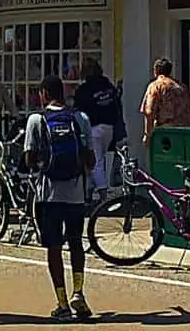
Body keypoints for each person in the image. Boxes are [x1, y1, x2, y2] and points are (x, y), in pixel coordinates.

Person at [24, 75, 94, 322]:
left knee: (53, 248)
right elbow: (91, 159)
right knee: (76, 243)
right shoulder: (80, 118)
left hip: (48, 194)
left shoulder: (36, 119)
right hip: (75, 193)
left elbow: (30, 158)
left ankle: (62, 302)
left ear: (43, 94)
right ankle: (79, 293)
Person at [73, 59, 119, 203]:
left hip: (93, 129)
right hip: (109, 128)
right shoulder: (108, 86)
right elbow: (116, 106)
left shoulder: (84, 90)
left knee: (95, 162)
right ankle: (88, 193)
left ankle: (104, 197)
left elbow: (78, 110)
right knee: (100, 160)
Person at [141, 57, 190, 145]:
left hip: (167, 135)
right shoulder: (181, 87)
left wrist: (147, 135)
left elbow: (149, 112)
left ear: (155, 71)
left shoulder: (155, 86)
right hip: (186, 133)